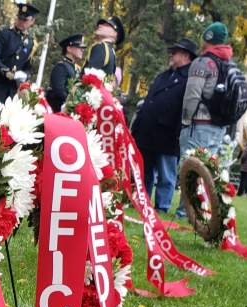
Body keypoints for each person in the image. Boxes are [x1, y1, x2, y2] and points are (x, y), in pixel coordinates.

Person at [130, 38, 195, 212]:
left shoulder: (189, 79)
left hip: (168, 133)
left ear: (186, 56)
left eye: (175, 52)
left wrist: (178, 131)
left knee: (166, 174)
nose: (171, 55)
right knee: (145, 171)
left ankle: (162, 206)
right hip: (148, 131)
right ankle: (141, 200)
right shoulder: (164, 75)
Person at [177, 22, 235, 216]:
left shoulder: (203, 63)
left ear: (207, 38)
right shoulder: (228, 64)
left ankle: (185, 212)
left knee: (190, 167)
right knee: (207, 170)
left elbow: (192, 95)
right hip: (219, 127)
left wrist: (186, 120)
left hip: (199, 125)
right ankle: (200, 211)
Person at [0, 2, 37, 103]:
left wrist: (25, 75)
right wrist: (5, 71)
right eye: (19, 18)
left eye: (25, 20)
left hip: (11, 94)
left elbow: (28, 67)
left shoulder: (31, 43)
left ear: (32, 21)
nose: (21, 21)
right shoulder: (4, 34)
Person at [46, 34, 85, 113]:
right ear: (69, 48)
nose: (82, 50)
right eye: (79, 47)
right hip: (58, 111)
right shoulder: (61, 67)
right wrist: (73, 102)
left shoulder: (75, 67)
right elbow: (59, 91)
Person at [86, 16, 125, 81]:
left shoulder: (100, 48)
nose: (100, 25)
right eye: (102, 24)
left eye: (106, 25)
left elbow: (88, 80)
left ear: (115, 34)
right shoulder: (111, 51)